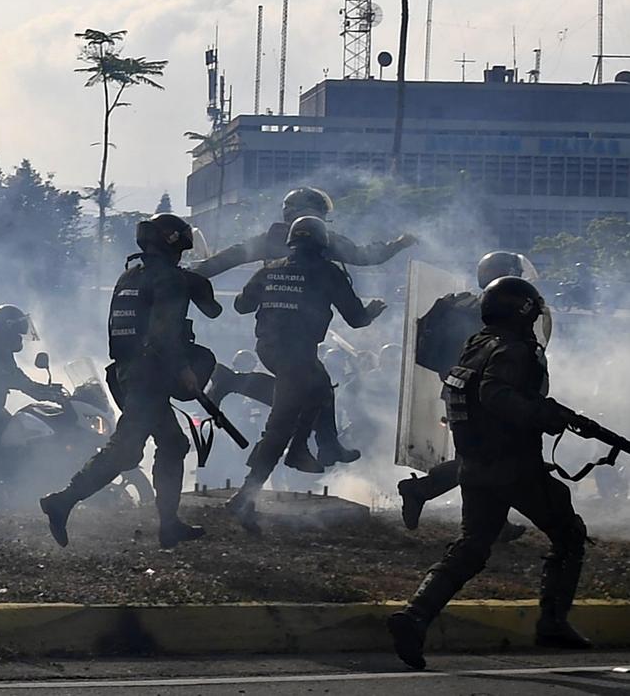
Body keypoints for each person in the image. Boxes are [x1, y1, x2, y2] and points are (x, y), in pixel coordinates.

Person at [388, 276, 591, 670]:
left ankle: (415, 617)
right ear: (524, 312)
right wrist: (543, 414)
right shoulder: (516, 350)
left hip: (476, 467)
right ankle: (552, 622)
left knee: (471, 548)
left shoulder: (477, 345)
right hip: (513, 466)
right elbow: (495, 395)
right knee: (569, 534)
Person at [196, 187, 415, 467]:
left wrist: (190, 274)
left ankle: (326, 445)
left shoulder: (272, 242)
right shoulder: (320, 244)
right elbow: (364, 256)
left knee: (319, 386)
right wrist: (399, 243)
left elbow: (228, 260)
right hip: (294, 335)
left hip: (279, 334)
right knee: (299, 397)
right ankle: (283, 449)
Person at [41, 213, 223, 549]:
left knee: (173, 444)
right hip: (149, 375)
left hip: (127, 372)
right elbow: (165, 331)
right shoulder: (169, 279)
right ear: (172, 243)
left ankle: (169, 525)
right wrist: (183, 368)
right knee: (125, 449)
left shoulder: (129, 276)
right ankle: (62, 501)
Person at [225, 216, 386, 532]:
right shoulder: (328, 272)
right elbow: (356, 319)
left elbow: (242, 306)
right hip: (297, 354)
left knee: (322, 386)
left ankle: (318, 446)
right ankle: (246, 495)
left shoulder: (270, 269)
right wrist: (373, 312)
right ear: (322, 243)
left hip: (270, 349)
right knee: (281, 424)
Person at [398, 252, 534, 543]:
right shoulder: (490, 312)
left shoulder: (467, 305)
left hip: (462, 391)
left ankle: (493, 521)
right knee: (482, 459)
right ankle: (421, 491)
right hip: (483, 395)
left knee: (484, 457)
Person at [0, 304, 63, 475]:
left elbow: (19, 377)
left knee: (27, 433)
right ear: (7, 329)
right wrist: (42, 392)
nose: (19, 338)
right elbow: (11, 377)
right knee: (11, 449)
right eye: (18, 333)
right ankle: (0, 483)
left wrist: (48, 389)